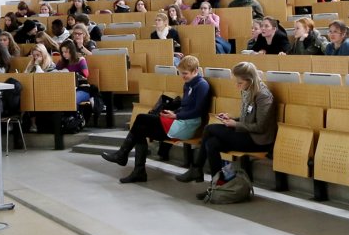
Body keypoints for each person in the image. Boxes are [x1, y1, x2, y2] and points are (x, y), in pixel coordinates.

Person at [106, 55, 210, 183]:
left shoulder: (202, 85)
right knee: (141, 128)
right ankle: (135, 168)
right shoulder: (187, 84)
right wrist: (173, 112)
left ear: (195, 71)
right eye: (181, 73)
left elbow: (198, 111)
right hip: (179, 120)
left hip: (188, 125)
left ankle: (125, 157)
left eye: (185, 74)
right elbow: (185, 106)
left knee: (141, 119)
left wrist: (176, 115)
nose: (182, 77)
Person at [182, 61, 278, 188]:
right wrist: (232, 119)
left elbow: (260, 127)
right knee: (212, 144)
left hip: (258, 140)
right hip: (246, 133)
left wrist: (235, 124)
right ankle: (217, 184)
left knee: (209, 129)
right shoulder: (247, 89)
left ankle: (197, 168)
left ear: (250, 80)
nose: (237, 86)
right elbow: (247, 118)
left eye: (240, 83)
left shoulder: (263, 96)